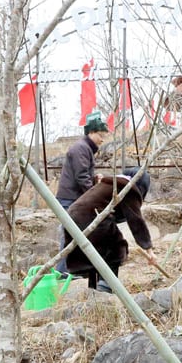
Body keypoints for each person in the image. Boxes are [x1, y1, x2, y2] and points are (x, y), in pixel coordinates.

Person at [64, 166, 157, 291]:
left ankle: (93, 289)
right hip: (92, 216)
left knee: (93, 252)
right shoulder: (128, 188)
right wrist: (149, 249)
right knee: (117, 247)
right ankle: (106, 286)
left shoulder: (110, 184)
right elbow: (136, 221)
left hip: (71, 216)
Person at [56, 111, 111, 272]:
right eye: (100, 135)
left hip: (73, 197)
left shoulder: (85, 148)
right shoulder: (81, 149)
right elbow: (81, 177)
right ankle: (63, 271)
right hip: (70, 199)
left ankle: (70, 270)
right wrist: (94, 195)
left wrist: (94, 178)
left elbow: (83, 174)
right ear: (91, 132)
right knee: (71, 235)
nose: (102, 139)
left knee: (76, 234)